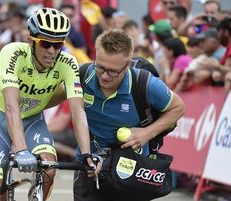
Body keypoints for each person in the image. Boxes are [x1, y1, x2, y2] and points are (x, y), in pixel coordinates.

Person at [0, 7, 98, 201]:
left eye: (58, 45)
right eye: (45, 43)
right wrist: (21, 150)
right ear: (31, 41)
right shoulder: (12, 53)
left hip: (33, 120)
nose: (52, 51)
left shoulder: (68, 63)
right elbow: (11, 106)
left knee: (48, 170)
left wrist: (86, 154)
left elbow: (78, 112)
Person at [73, 29, 185, 201]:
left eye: (112, 71)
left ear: (126, 66)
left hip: (130, 170)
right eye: (100, 67)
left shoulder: (145, 84)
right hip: (89, 166)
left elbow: (178, 108)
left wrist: (146, 134)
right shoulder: (83, 75)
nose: (104, 75)